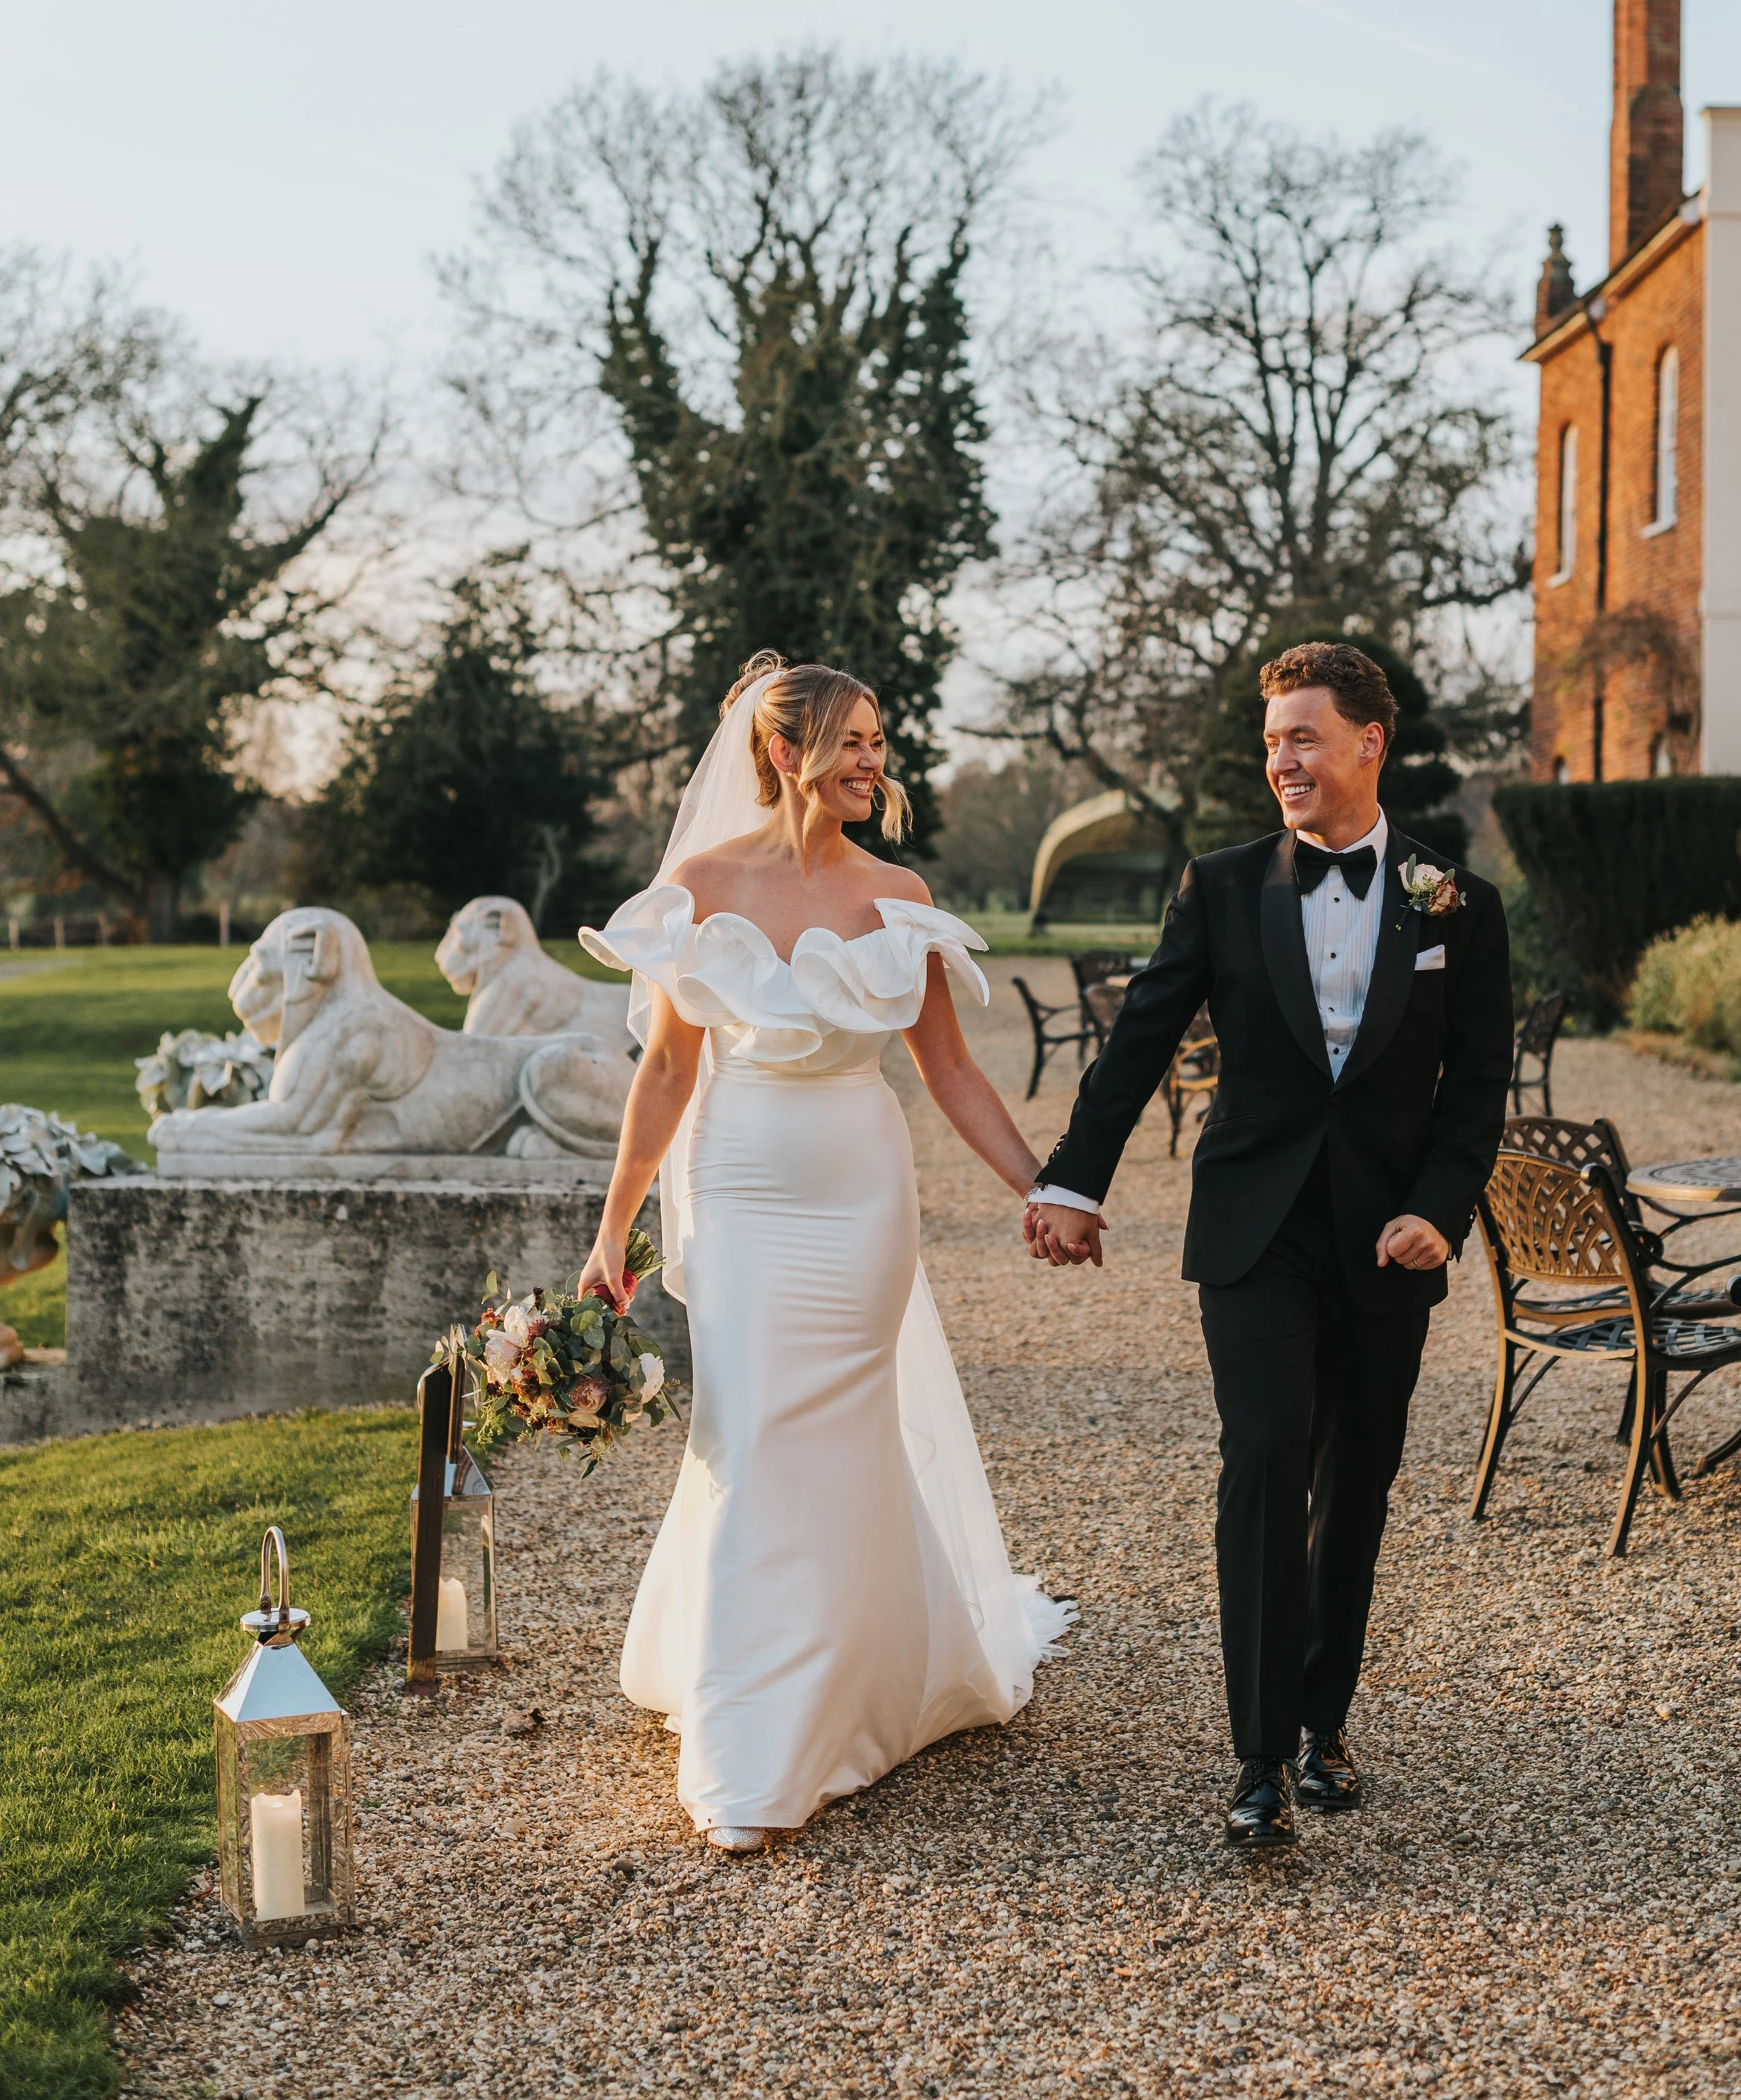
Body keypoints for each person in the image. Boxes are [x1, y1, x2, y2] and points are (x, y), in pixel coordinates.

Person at [578, 653, 1072, 1852]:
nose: (872, 760)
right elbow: (667, 1071)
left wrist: (1041, 1186)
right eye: (851, 739)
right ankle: (753, 1727)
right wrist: (612, 1225)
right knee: (748, 1426)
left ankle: (852, 1687)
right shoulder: (700, 885)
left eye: (879, 741)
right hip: (741, 1181)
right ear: (780, 748)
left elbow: (948, 1068)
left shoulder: (895, 891)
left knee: (839, 1427)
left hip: (861, 1191)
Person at [1025, 641, 1512, 1850]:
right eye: (1271, 741)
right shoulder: (1223, 884)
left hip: (1391, 1240)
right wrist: (1074, 1180)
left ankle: (1322, 1720)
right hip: (1253, 1227)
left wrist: (1440, 1209)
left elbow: (1479, 1083)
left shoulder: (1458, 900)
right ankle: (1256, 1760)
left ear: (1367, 744)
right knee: (1264, 1458)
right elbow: (1138, 1041)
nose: (1281, 760)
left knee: (1357, 1480)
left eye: (1303, 736)